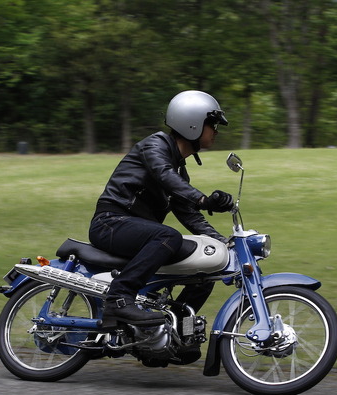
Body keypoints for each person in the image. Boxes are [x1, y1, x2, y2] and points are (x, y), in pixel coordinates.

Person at [89, 90, 234, 327]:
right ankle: (118, 300)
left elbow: (186, 212)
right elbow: (163, 175)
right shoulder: (154, 146)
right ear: (192, 125)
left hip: (138, 231)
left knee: (205, 264)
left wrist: (221, 241)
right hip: (111, 222)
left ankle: (176, 331)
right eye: (212, 125)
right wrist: (203, 200)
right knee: (168, 235)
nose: (216, 131)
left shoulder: (178, 168)